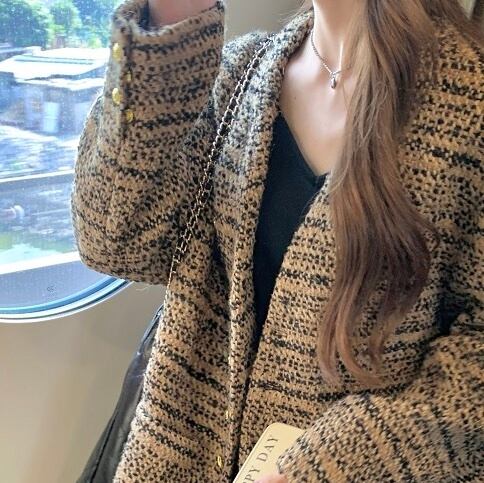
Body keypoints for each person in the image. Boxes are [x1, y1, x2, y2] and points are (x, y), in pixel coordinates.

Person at [71, 0, 483, 481]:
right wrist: (171, 21)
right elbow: (113, 240)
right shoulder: (238, 76)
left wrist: (331, 465)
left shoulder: (469, 106)